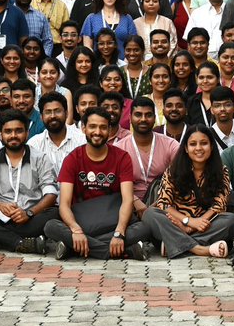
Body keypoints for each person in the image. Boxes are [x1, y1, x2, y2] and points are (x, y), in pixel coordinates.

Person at [44, 109, 153, 260]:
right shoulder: (73, 159)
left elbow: (128, 199)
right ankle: (126, 250)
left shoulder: (122, 157)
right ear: (83, 128)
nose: (97, 132)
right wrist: (76, 231)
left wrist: (119, 233)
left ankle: (75, 248)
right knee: (50, 226)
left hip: (114, 221)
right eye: (92, 126)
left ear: (109, 130)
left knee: (145, 228)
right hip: (82, 222)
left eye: (103, 127)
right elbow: (64, 203)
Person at [0, 109, 60, 253]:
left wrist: (29, 213)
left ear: (27, 133)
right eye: (8, 131)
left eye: (18, 131)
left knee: (55, 213)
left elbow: (51, 194)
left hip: (30, 218)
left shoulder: (41, 158)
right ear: (1, 135)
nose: (13, 135)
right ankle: (19, 242)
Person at [142, 126, 234, 259]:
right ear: (186, 148)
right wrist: (188, 221)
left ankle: (173, 243)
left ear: (211, 146)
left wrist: (192, 226)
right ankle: (199, 249)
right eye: (193, 144)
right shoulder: (173, 170)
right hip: (175, 221)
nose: (198, 148)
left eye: (204, 143)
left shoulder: (222, 171)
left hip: (205, 224)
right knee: (150, 214)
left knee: (231, 220)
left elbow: (219, 205)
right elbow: (164, 204)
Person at [115, 97, 180, 214]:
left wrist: (159, 203)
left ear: (155, 118)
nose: (143, 119)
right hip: (128, 206)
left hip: (165, 205)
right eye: (138, 115)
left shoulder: (171, 145)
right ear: (130, 118)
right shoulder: (118, 149)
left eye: (148, 115)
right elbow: (115, 184)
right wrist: (135, 201)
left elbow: (180, 179)